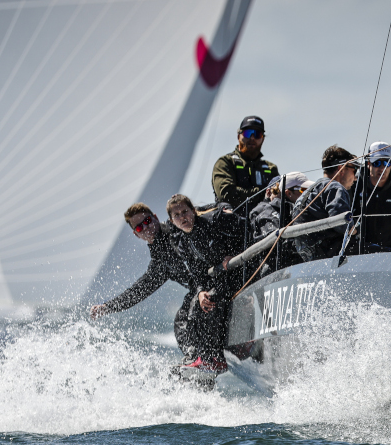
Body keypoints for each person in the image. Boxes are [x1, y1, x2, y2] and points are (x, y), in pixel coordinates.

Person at [90, 203, 201, 364]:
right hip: (200, 292)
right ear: (137, 235)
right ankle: (199, 364)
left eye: (147, 220)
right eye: (140, 228)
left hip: (216, 281)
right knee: (181, 321)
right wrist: (108, 307)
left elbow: (196, 217)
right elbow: (138, 291)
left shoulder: (175, 228)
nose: (146, 227)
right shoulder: (160, 264)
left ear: (155, 218)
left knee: (184, 319)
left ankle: (199, 360)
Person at [167, 194, 245, 374]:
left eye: (185, 211)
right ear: (172, 220)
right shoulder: (183, 242)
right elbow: (196, 272)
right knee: (198, 302)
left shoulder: (214, 221)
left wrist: (235, 253)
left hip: (239, 271)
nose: (182, 217)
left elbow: (248, 228)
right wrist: (201, 290)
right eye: (177, 215)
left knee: (209, 303)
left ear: (193, 211)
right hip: (220, 278)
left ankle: (214, 359)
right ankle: (200, 357)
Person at [291, 145, 359, 261]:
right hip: (327, 252)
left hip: (307, 257)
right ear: (341, 169)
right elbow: (343, 224)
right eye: (354, 170)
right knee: (378, 251)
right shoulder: (335, 187)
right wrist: (356, 230)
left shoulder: (309, 190)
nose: (356, 177)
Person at [212, 116, 280, 214]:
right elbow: (226, 194)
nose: (252, 138)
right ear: (238, 136)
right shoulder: (226, 162)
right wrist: (263, 192)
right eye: (248, 133)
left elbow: (279, 195)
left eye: (257, 134)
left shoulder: (271, 168)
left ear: (263, 139)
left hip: (265, 222)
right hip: (235, 222)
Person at [249, 172, 313, 243]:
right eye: (303, 190)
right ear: (289, 193)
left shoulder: (298, 211)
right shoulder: (268, 213)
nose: (308, 193)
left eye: (309, 190)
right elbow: (276, 246)